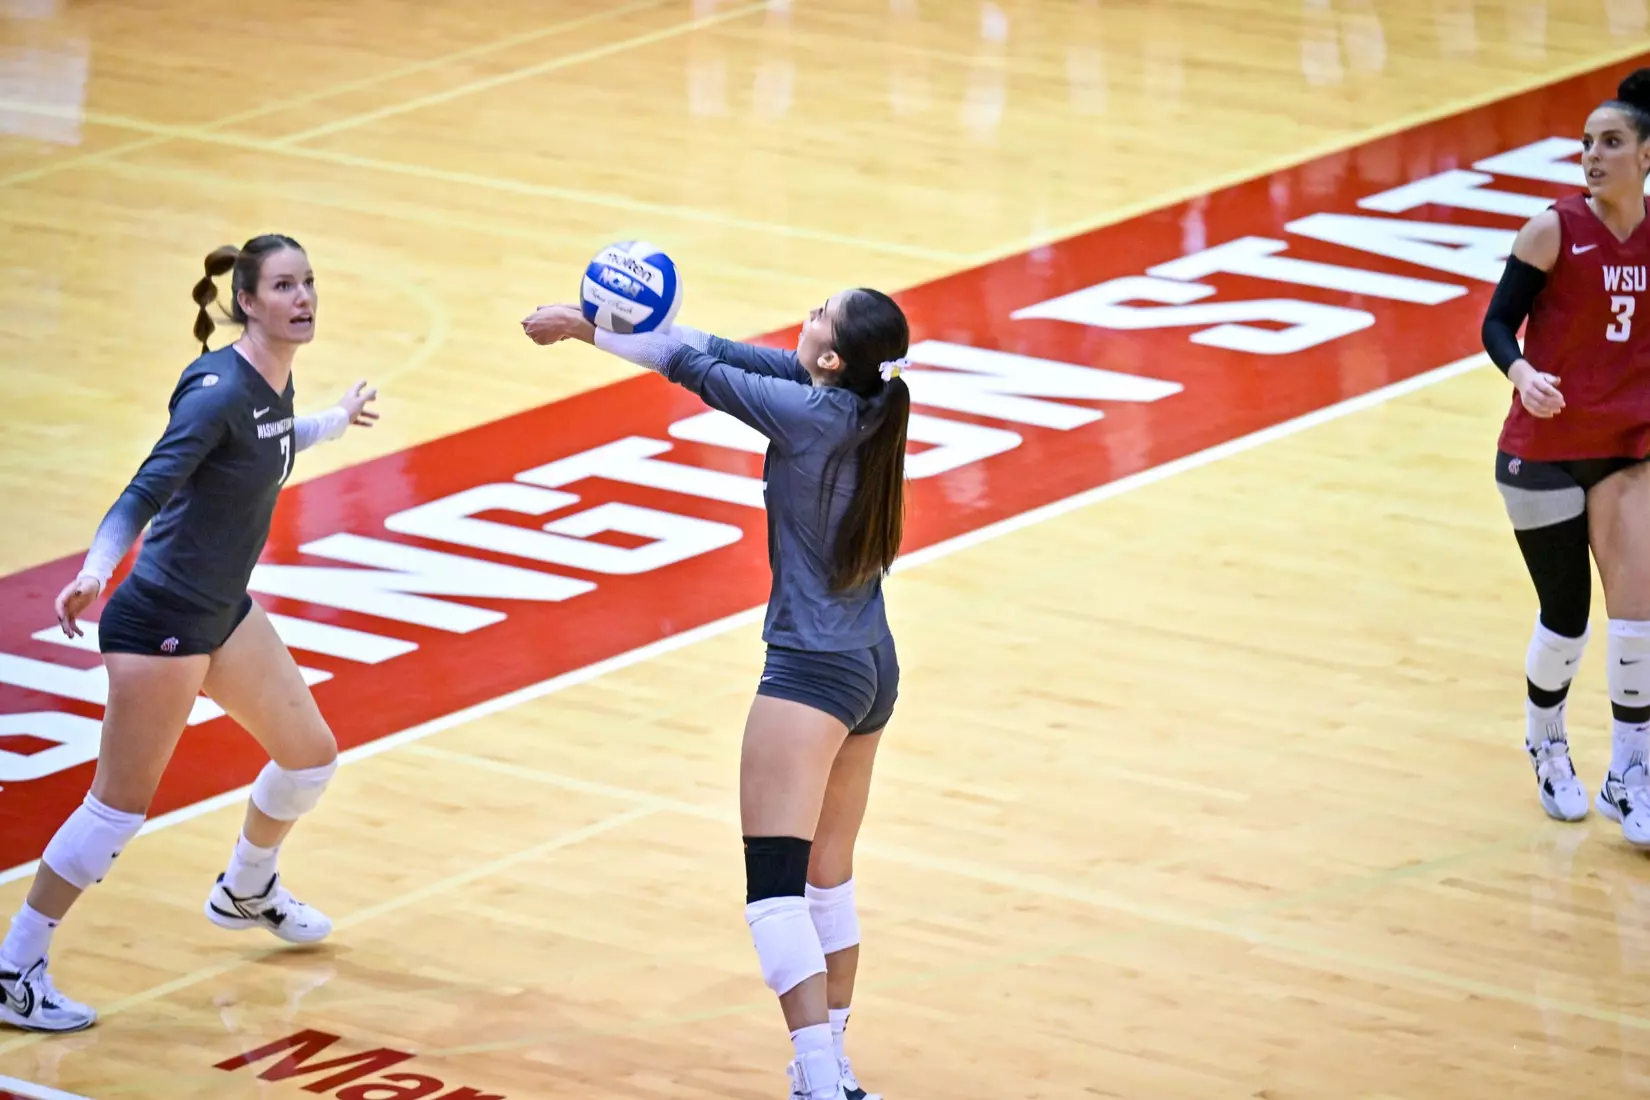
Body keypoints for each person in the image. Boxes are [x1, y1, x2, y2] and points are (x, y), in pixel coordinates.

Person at [522, 290, 910, 1100]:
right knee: (828, 881)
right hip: (873, 662)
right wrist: (623, 319)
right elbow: (717, 349)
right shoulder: (866, 402)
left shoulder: (808, 414)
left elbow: (689, 368)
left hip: (811, 670)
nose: (804, 314)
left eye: (818, 315)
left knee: (775, 891)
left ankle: (817, 1076)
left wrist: (584, 328)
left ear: (831, 359)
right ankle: (830, 1068)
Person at [0, 235, 379, 1033]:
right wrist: (95, 573)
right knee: (116, 810)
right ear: (247, 301)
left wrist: (334, 421)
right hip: (160, 623)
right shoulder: (213, 394)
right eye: (284, 286)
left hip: (222, 611)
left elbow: (271, 443)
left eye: (309, 282)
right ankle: (13, 969)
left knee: (309, 757)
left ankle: (247, 887)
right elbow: (141, 493)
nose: (303, 298)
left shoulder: (269, 377)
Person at [1482, 69, 1650, 846]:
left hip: (1623, 446)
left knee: (1640, 618)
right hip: (1543, 451)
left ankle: (1631, 773)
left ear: (1646, 155)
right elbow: (1495, 325)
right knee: (1568, 620)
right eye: (1586, 143)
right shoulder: (1552, 230)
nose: (1591, 155)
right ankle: (1547, 745)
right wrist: (1521, 372)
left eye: (1610, 142)